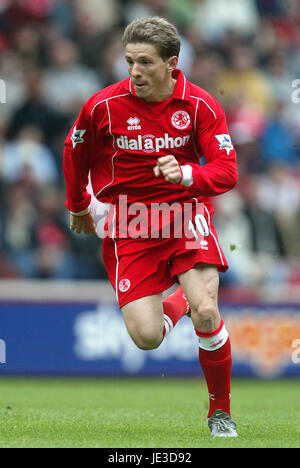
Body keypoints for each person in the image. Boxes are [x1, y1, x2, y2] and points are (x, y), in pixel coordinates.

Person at [63, 17, 238, 438]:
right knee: (146, 338)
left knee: (209, 310)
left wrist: (187, 176)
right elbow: (74, 148)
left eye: (145, 62)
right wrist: (78, 205)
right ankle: (180, 301)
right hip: (129, 222)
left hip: (183, 215)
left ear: (172, 64)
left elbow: (227, 171)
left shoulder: (201, 106)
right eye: (129, 62)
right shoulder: (103, 105)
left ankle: (220, 413)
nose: (135, 71)